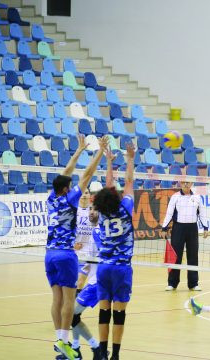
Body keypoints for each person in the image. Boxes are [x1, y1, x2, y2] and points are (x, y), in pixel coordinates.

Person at [46, 135, 107, 360]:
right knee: (69, 301)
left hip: (48, 254)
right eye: (70, 186)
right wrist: (99, 152)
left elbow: (66, 173)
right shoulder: (71, 200)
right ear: (66, 190)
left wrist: (79, 151)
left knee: (56, 298)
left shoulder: (51, 198)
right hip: (65, 254)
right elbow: (87, 174)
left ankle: (60, 339)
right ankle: (64, 341)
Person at [93, 142, 136, 360]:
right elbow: (128, 181)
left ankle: (101, 351)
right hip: (121, 269)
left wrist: (108, 161)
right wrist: (130, 158)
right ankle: (115, 355)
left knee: (104, 311)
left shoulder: (101, 213)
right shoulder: (126, 209)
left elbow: (109, 186)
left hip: (103, 268)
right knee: (119, 313)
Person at [57, 207, 102, 360]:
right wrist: (79, 282)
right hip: (94, 281)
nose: (91, 212)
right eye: (91, 209)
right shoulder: (93, 233)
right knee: (74, 315)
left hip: (99, 282)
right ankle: (77, 349)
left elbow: (105, 256)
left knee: (71, 314)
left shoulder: (98, 232)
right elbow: (89, 264)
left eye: (95, 210)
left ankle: (96, 349)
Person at [161, 180, 209, 291]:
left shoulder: (197, 197)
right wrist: (164, 228)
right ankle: (172, 283)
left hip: (192, 229)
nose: (185, 184)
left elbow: (202, 213)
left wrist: (205, 227)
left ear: (191, 183)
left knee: (193, 256)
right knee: (176, 256)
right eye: (183, 182)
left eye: (187, 182)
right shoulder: (175, 197)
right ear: (180, 183)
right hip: (178, 229)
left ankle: (193, 283)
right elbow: (169, 213)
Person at [74, 189, 96, 294]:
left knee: (80, 281)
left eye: (86, 193)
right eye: (82, 193)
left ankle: (75, 307)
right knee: (71, 283)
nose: (83, 195)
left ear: (90, 196)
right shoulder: (73, 211)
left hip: (88, 253)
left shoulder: (93, 212)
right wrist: (71, 245)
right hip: (73, 252)